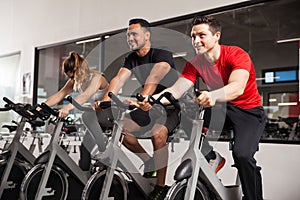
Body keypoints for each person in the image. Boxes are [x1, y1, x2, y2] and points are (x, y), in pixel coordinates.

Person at [150, 15, 266, 200]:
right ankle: (212, 156)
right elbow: (176, 91)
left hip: (248, 111)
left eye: (202, 35)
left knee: (242, 155)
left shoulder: (236, 55)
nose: (196, 41)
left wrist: (212, 95)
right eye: (193, 36)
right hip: (222, 108)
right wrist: (149, 100)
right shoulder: (196, 63)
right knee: (186, 114)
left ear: (216, 36)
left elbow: (237, 87)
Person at [96, 18, 180, 200]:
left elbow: (155, 75)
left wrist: (145, 96)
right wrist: (104, 102)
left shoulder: (161, 53)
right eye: (128, 35)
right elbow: (119, 79)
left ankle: (161, 186)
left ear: (147, 35)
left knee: (158, 135)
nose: (130, 38)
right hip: (146, 106)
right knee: (120, 129)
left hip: (170, 107)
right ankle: (148, 161)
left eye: (134, 34)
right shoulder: (131, 58)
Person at [44, 51, 110, 171]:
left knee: (87, 115)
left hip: (109, 114)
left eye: (72, 76)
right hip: (95, 118)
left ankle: (104, 151)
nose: (72, 80)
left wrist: (67, 108)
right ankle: (84, 180)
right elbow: (59, 95)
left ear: (79, 71)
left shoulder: (97, 78)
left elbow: (86, 95)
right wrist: (40, 107)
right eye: (70, 77)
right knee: (84, 148)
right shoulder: (75, 80)